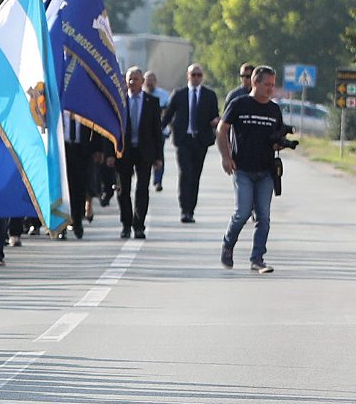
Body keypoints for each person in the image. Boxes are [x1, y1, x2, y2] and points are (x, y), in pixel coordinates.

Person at [219, 65, 292, 273]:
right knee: (242, 213)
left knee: (263, 217)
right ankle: (228, 244)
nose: (270, 89)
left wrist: (282, 144)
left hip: (266, 171)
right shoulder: (239, 104)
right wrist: (226, 157)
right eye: (267, 84)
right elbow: (222, 129)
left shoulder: (274, 110)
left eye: (273, 85)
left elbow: (275, 138)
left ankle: (257, 258)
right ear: (254, 83)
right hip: (242, 168)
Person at [166, 63, 220, 223]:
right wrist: (156, 133)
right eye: (193, 75)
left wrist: (215, 121)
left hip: (200, 141)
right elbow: (168, 115)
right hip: (183, 140)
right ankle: (184, 210)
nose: (196, 78)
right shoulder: (179, 94)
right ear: (188, 76)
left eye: (199, 75)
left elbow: (214, 115)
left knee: (195, 176)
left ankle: (191, 210)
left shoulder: (209, 95)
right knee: (185, 174)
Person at [115, 66, 164, 240]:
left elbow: (157, 131)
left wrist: (158, 157)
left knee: (142, 189)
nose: (132, 82)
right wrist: (109, 154)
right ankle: (126, 224)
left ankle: (139, 225)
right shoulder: (119, 101)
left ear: (142, 81)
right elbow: (112, 129)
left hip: (145, 152)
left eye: (135, 79)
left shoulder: (152, 102)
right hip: (124, 152)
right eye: (129, 79)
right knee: (123, 190)